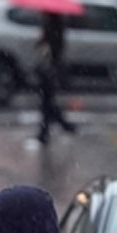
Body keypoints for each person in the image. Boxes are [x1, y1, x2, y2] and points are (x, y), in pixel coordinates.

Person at [35, 13, 77, 145]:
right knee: (47, 101)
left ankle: (46, 132)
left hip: (49, 69)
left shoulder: (52, 26)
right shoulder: (55, 25)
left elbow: (50, 47)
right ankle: (62, 125)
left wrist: (42, 38)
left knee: (46, 102)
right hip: (51, 68)